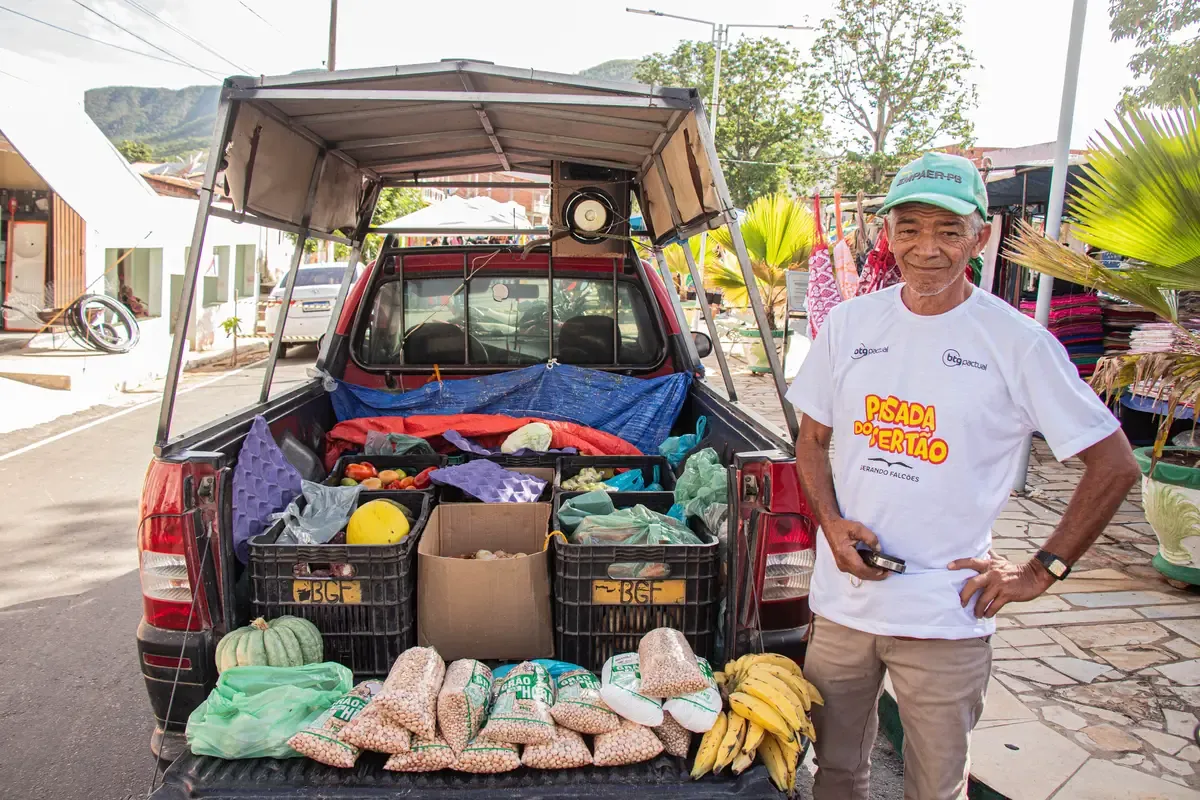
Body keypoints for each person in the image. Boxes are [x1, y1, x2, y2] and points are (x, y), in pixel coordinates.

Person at [787, 152, 1140, 800]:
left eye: (949, 231)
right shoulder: (850, 325)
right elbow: (811, 440)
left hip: (946, 615)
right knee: (834, 774)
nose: (927, 248)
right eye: (912, 228)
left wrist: (1041, 570)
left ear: (980, 238)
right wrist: (832, 527)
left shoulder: (1017, 342)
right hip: (844, 606)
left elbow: (1114, 463)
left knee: (936, 787)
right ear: (887, 233)